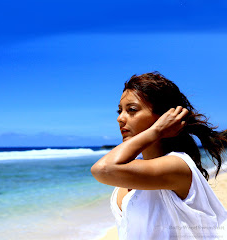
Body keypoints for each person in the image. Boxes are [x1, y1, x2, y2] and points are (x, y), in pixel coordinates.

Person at [91, 72, 227, 239]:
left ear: (165, 118)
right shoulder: (134, 166)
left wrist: (156, 131)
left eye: (131, 110)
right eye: (120, 111)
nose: (120, 118)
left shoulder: (177, 165)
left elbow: (102, 169)